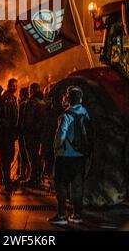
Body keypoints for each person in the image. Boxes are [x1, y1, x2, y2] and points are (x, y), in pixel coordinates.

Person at [49, 85, 91, 225]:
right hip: (81, 156)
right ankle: (77, 214)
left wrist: (56, 149)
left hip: (65, 155)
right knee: (77, 186)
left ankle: (61, 216)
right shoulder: (86, 114)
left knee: (60, 185)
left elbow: (60, 136)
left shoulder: (66, 115)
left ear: (69, 99)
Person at [22, 83, 46, 188]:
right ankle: (39, 178)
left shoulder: (31, 103)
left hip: (31, 134)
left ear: (32, 90)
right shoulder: (43, 102)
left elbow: (28, 120)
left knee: (32, 156)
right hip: (40, 133)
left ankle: (33, 179)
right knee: (37, 156)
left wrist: (24, 130)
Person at [0, 78, 18, 193]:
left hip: (8, 133)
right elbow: (8, 118)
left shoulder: (11, 98)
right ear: (8, 86)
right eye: (12, 85)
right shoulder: (7, 98)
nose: (14, 87)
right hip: (7, 134)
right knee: (7, 157)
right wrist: (11, 131)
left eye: (15, 85)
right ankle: (6, 181)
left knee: (6, 157)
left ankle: (4, 179)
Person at [16, 87, 29, 181]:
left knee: (23, 153)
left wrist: (16, 132)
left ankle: (22, 173)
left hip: (23, 133)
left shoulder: (23, 105)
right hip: (30, 133)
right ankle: (27, 173)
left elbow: (19, 120)